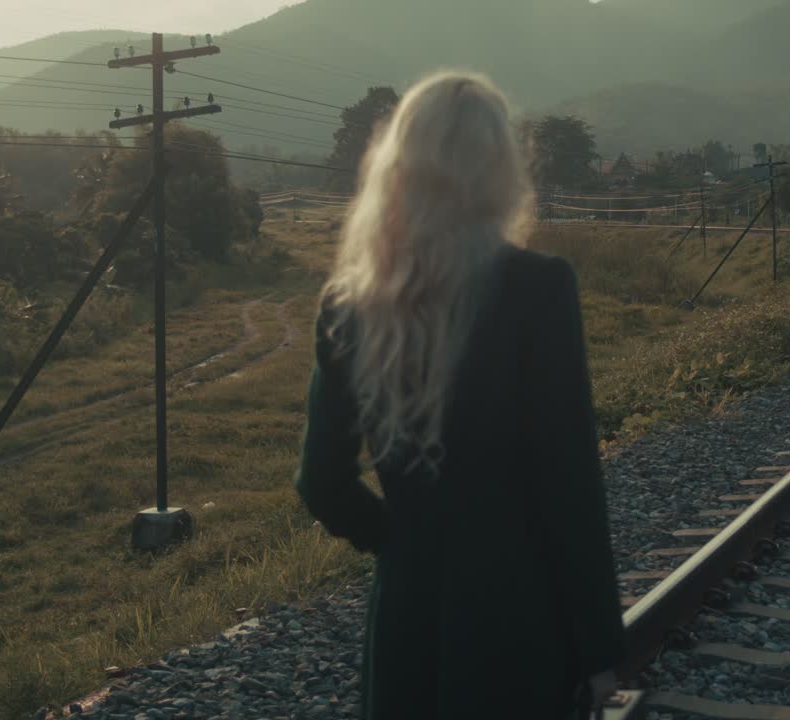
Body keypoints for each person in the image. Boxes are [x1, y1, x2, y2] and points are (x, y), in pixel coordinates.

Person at [293, 70, 626, 720]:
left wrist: (397, 539)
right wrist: (597, 647)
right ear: (499, 169)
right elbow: (569, 485)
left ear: (397, 168)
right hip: (518, 618)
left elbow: (321, 481)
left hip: (406, 620)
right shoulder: (538, 288)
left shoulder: (348, 306)